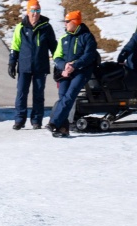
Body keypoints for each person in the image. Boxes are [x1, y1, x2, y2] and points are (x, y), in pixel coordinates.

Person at [48, 10, 98, 138]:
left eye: (67, 21)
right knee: (63, 96)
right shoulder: (64, 38)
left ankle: (54, 122)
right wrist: (64, 66)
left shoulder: (87, 37)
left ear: (75, 22)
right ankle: (63, 129)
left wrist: (74, 65)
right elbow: (57, 56)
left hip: (82, 71)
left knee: (70, 96)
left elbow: (89, 55)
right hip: (65, 71)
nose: (65, 24)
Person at [8, 0, 57, 130]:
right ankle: (19, 120)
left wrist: (59, 63)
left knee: (39, 94)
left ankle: (36, 120)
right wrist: (12, 62)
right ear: (28, 11)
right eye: (33, 11)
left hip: (40, 66)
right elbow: (15, 46)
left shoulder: (46, 27)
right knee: (21, 93)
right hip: (24, 66)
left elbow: (54, 47)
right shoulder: (21, 27)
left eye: (37, 11)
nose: (35, 14)